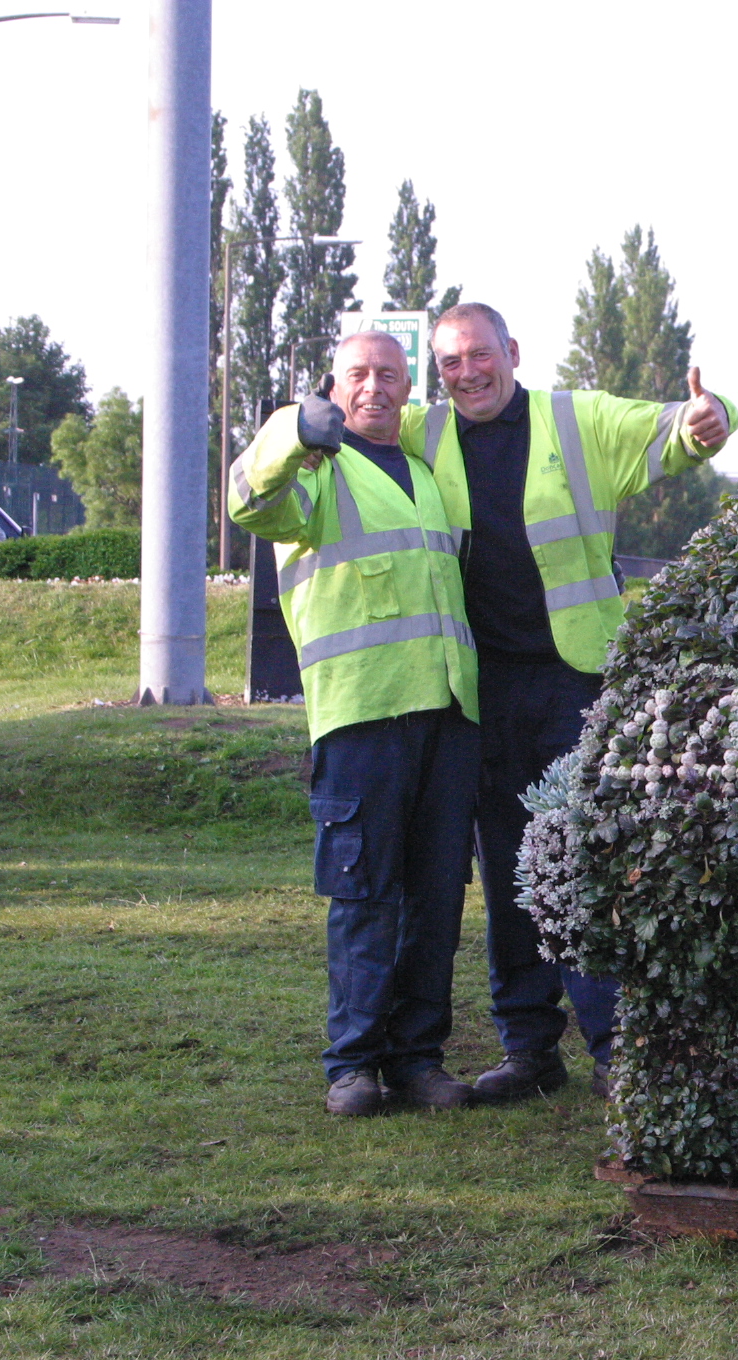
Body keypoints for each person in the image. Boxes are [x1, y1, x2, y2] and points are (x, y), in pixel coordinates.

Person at [404, 301, 735, 1102]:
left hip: (573, 679)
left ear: (511, 351)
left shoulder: (575, 420)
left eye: (479, 355)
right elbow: (355, 428)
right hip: (478, 689)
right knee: (511, 864)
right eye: (450, 363)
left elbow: (673, 432)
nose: (467, 373)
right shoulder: (423, 435)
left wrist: (705, 419)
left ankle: (615, 1043)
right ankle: (527, 1048)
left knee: (581, 858)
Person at [228, 330, 482, 1117]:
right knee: (365, 895)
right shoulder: (314, 472)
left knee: (436, 899)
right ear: (333, 389)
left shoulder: (429, 474)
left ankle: (417, 1060)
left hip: (446, 711)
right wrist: (293, 430)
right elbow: (248, 495)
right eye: (358, 376)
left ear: (410, 389)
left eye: (391, 376)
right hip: (361, 714)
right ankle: (354, 1066)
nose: (375, 388)